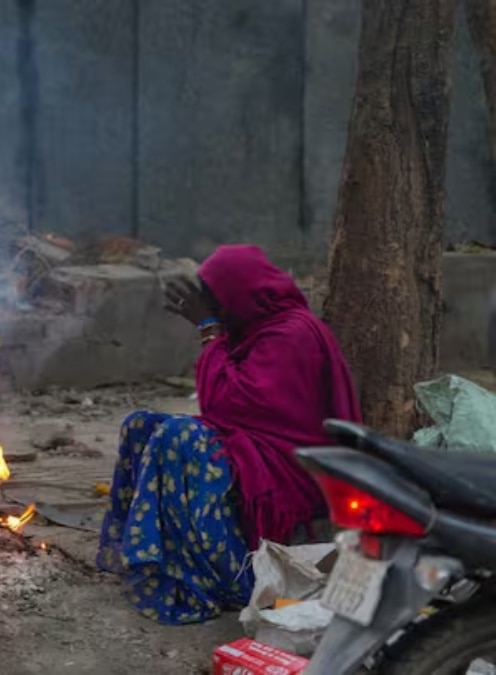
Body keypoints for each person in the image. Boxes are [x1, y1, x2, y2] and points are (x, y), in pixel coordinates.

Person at [96, 244, 361, 624]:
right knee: (141, 425)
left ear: (240, 295)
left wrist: (208, 330)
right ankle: (150, 556)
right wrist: (213, 328)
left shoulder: (291, 334)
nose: (211, 310)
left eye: (215, 300)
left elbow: (225, 405)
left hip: (287, 470)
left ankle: (231, 577)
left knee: (180, 438)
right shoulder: (258, 328)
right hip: (255, 447)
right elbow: (231, 411)